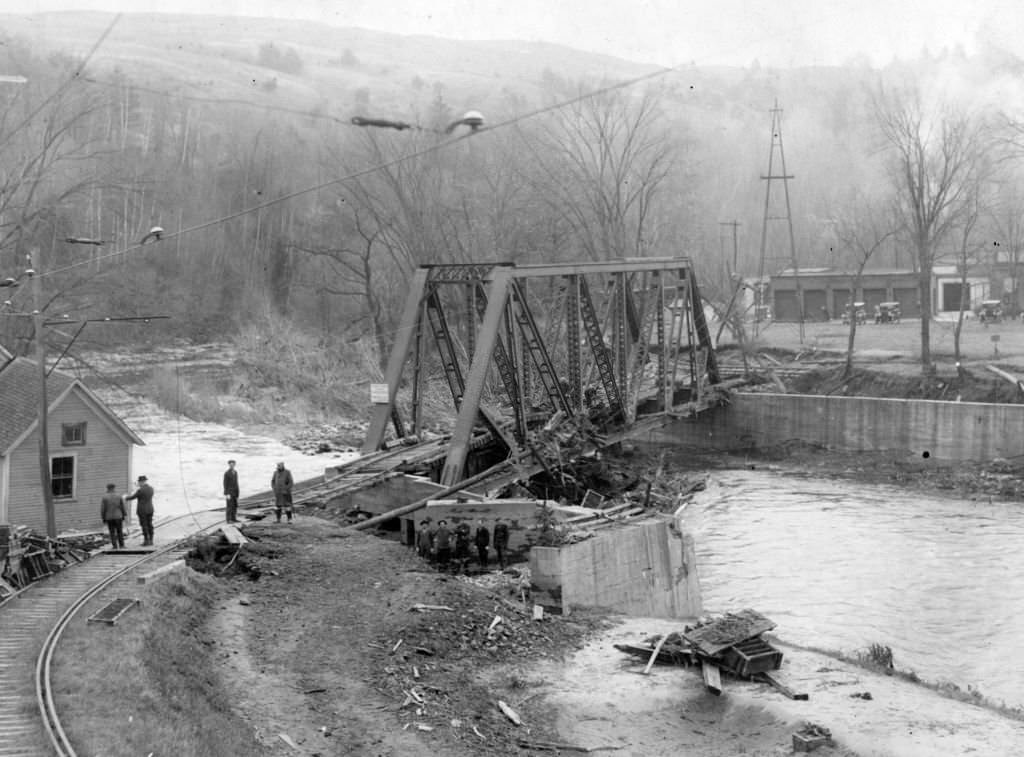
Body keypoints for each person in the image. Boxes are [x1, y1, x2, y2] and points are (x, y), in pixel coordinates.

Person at [126, 475, 155, 546]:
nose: (138, 483)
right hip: (150, 509)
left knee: (144, 525)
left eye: (139, 482)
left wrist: (125, 497)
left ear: (141, 482)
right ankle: (151, 540)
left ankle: (146, 541)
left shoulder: (140, 490)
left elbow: (133, 497)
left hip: (142, 510)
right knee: (150, 524)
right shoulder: (151, 489)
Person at [100, 483, 126, 549]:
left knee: (112, 532)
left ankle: (115, 546)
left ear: (107, 489)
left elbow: (103, 509)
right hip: (118, 516)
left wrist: (103, 518)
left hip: (109, 517)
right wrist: (124, 515)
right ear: (114, 488)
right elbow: (122, 506)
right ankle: (122, 545)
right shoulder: (119, 496)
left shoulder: (104, 497)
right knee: (119, 531)